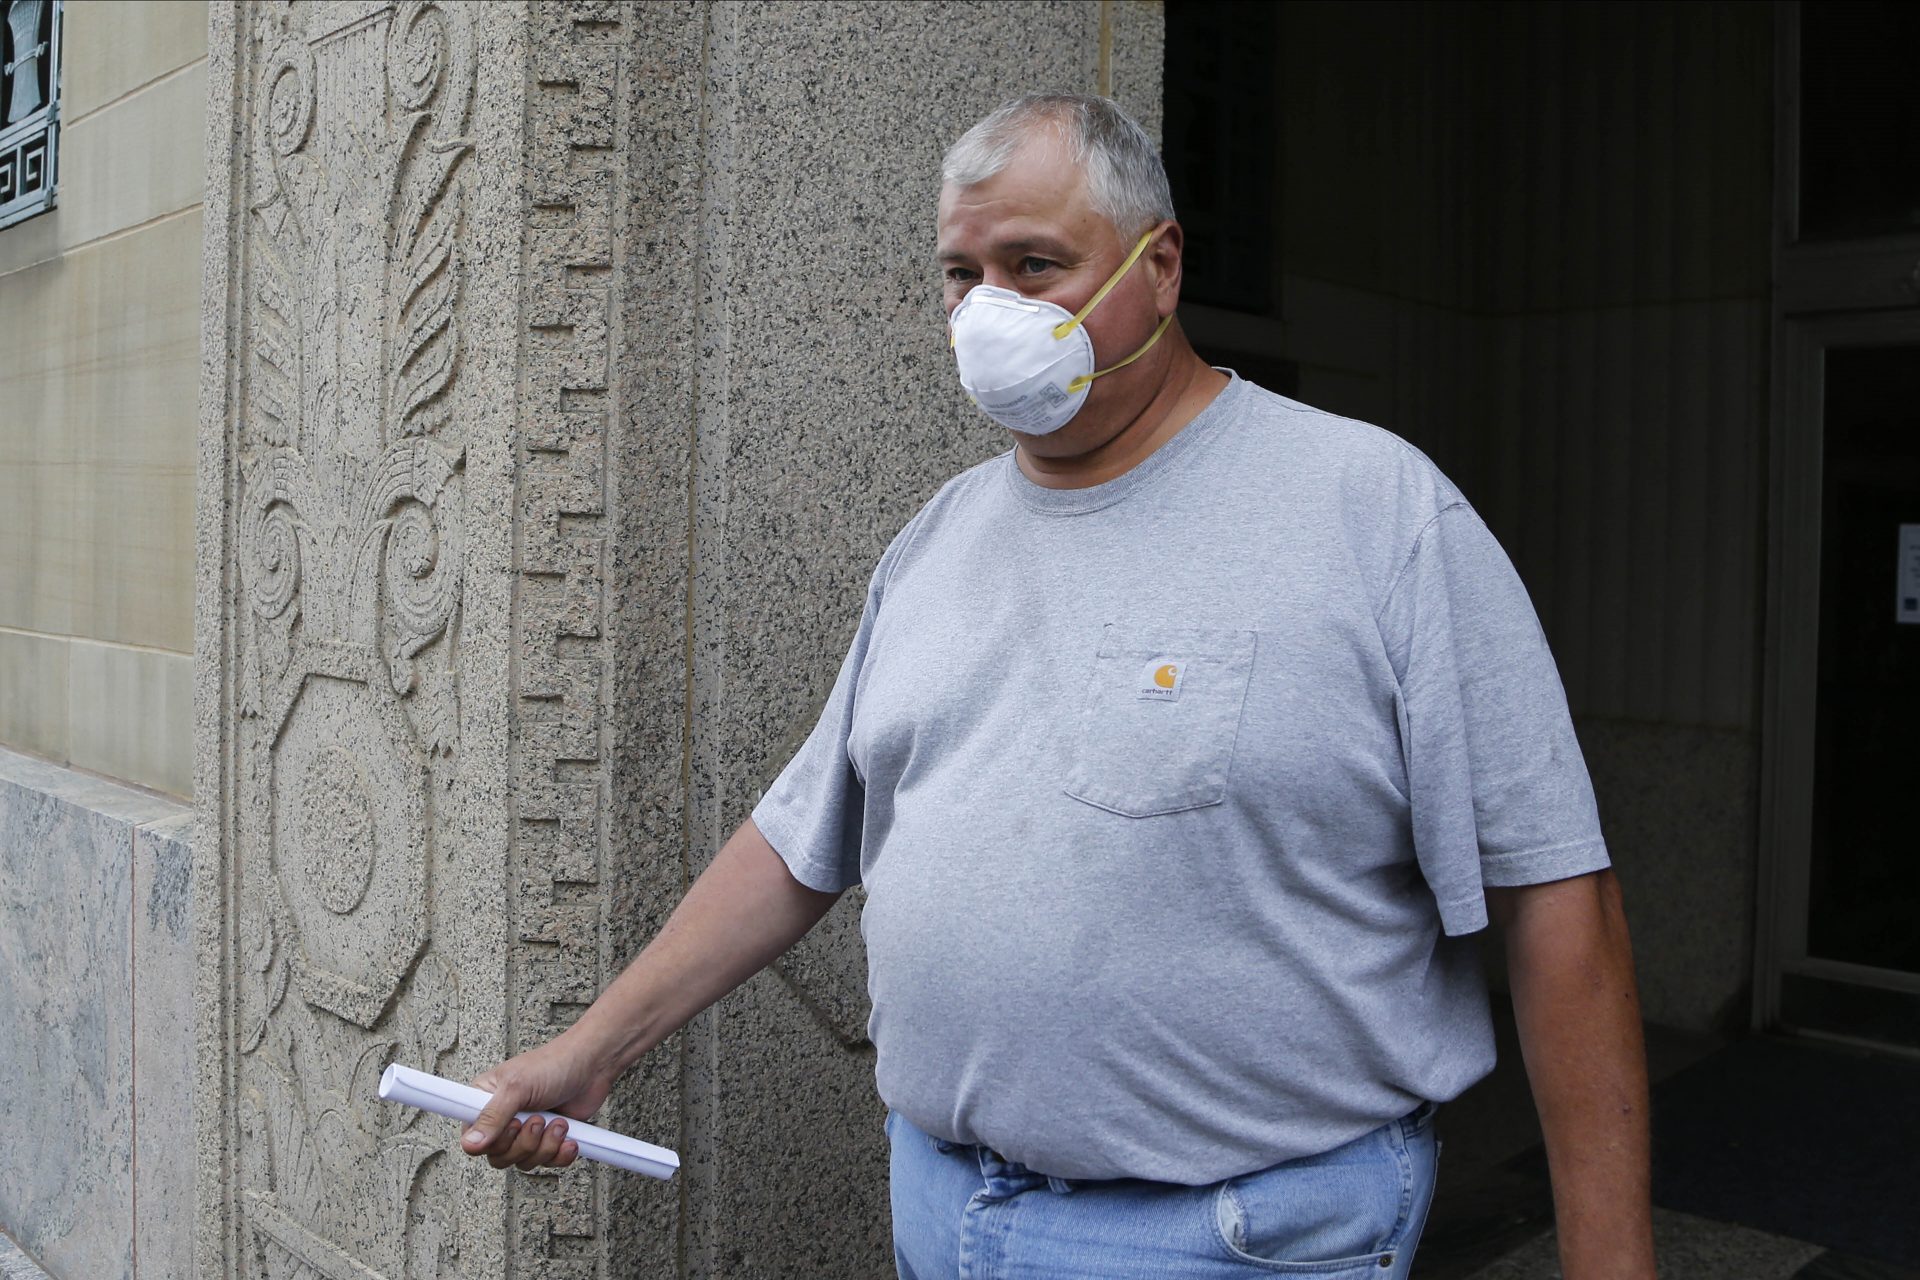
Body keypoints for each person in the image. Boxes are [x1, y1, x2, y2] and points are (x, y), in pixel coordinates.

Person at [458, 92, 1656, 1280]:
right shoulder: (940, 537)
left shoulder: (1375, 511)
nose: (992, 313)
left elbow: (1560, 897)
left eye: (1036, 263)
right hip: (943, 1209)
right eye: (961, 274)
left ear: (1163, 264)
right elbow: (799, 840)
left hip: (1239, 1240)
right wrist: (595, 1049)